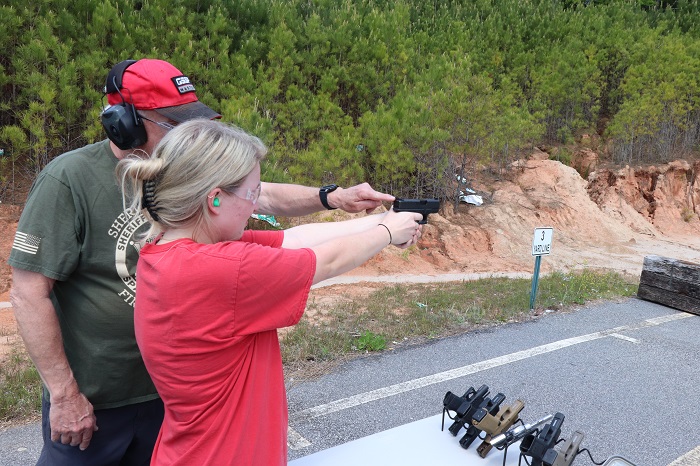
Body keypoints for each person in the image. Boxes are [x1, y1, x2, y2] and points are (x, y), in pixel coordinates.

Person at [7, 58, 395, 465]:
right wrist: (65, 394)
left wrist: (330, 198)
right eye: (175, 122)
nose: (190, 133)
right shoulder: (68, 180)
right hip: (97, 401)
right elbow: (30, 292)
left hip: (173, 395)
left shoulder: (181, 171)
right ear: (123, 121)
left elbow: (251, 193)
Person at [115, 118, 423, 466]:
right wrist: (386, 232)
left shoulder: (178, 251)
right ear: (214, 199)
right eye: (252, 194)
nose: (255, 205)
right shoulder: (221, 269)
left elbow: (294, 241)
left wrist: (391, 219)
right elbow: (327, 260)